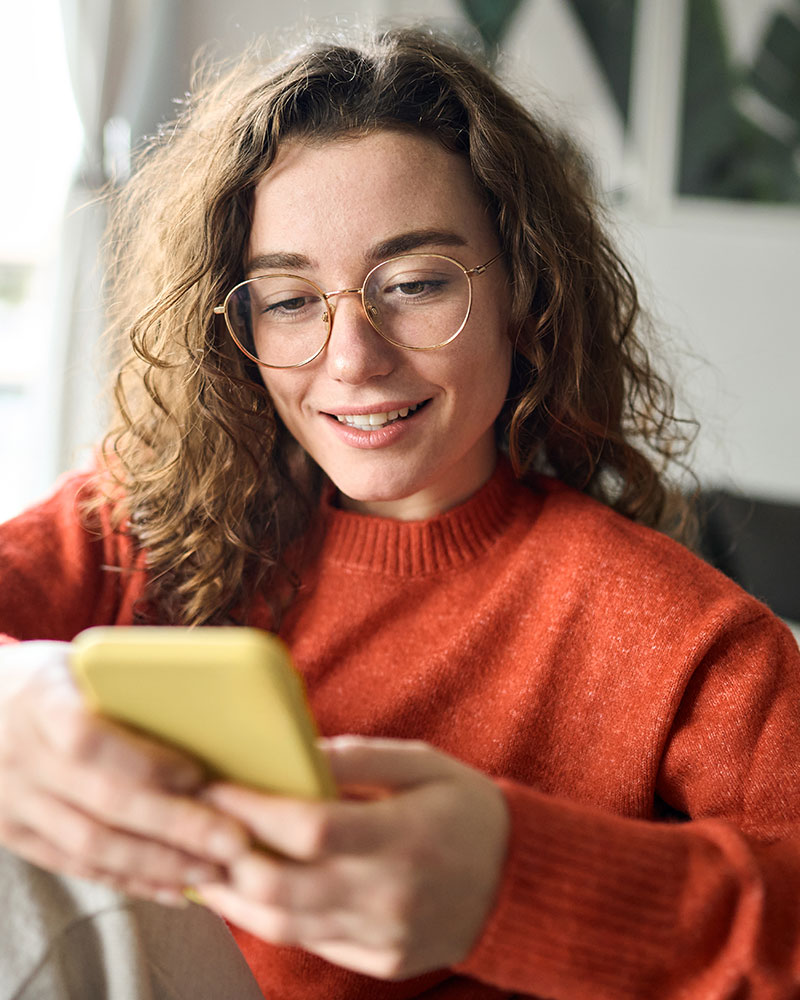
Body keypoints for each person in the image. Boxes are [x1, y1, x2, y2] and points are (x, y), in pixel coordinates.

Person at [1, 22, 799, 1000]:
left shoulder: (689, 642)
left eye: (416, 284)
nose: (352, 359)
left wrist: (511, 885)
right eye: (290, 301)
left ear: (526, 290)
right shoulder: (139, 521)